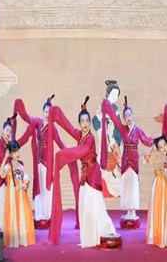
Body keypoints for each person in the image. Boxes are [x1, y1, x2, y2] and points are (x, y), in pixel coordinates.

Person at [47, 97, 116, 247]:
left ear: (90, 123)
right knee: (84, 207)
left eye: (87, 121)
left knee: (93, 207)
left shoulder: (90, 139)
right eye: (82, 121)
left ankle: (101, 234)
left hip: (93, 175)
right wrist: (57, 114)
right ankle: (88, 238)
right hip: (85, 175)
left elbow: (80, 151)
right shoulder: (80, 135)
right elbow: (68, 127)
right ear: (80, 123)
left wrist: (62, 155)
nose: (85, 124)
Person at [13, 96, 79, 227]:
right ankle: (39, 214)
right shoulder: (38, 123)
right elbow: (27, 118)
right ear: (43, 112)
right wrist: (20, 108)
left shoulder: (52, 128)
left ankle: (47, 215)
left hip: (47, 163)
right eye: (46, 112)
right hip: (38, 162)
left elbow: (60, 142)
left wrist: (70, 153)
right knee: (39, 188)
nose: (48, 115)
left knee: (47, 188)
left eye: (50, 112)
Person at [101, 96, 153, 222]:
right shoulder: (122, 129)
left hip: (134, 160)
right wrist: (107, 105)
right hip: (125, 160)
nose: (128, 117)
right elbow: (114, 118)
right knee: (126, 185)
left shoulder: (138, 130)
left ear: (133, 115)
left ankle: (133, 211)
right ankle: (128, 211)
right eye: (126, 116)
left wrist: (158, 141)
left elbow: (146, 140)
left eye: (130, 115)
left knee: (133, 185)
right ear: (124, 118)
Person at [1, 140, 36, 247]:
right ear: (11, 154)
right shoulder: (8, 166)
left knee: (25, 212)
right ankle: (13, 238)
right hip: (11, 194)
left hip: (20, 193)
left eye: (17, 151)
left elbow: (27, 179)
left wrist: (20, 186)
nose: (17, 154)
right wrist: (5, 158)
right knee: (12, 213)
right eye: (15, 152)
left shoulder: (21, 166)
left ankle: (22, 237)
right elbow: (2, 174)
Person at [92, 80, 123, 199]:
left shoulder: (116, 109)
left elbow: (118, 126)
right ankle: (107, 191)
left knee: (116, 164)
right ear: (107, 94)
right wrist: (100, 119)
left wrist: (115, 140)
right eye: (112, 94)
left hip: (113, 141)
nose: (114, 97)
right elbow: (95, 123)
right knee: (105, 165)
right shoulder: (101, 108)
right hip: (104, 140)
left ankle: (118, 190)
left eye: (116, 94)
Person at [145, 135, 167, 248]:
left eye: (164, 145)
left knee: (166, 210)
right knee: (157, 209)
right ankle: (158, 237)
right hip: (157, 184)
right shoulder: (155, 157)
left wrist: (166, 174)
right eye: (160, 147)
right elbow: (146, 157)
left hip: (165, 186)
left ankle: (165, 237)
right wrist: (152, 148)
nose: (163, 148)